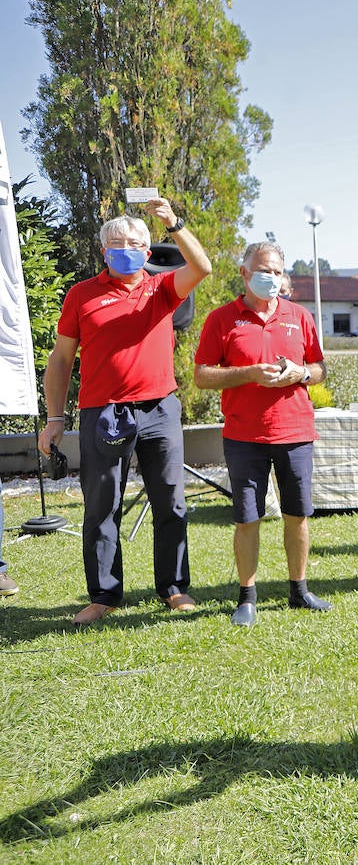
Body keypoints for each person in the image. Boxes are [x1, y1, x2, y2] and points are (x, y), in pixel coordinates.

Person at [39, 198, 210, 626]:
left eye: (134, 243)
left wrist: (174, 223)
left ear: (147, 252)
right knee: (101, 505)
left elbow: (202, 267)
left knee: (170, 501)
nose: (126, 248)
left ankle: (174, 588)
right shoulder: (81, 295)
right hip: (102, 412)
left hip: (159, 409)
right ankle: (104, 596)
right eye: (117, 243)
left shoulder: (162, 288)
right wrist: (55, 419)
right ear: (103, 251)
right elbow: (60, 361)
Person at [193, 241, 330, 625]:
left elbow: (318, 367)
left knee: (297, 514)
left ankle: (299, 591)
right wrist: (249, 373)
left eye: (276, 271)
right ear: (244, 272)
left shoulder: (299, 315)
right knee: (247, 518)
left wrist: (300, 374)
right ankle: (247, 597)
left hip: (295, 431)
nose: (270, 277)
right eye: (262, 270)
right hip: (244, 435)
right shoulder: (222, 318)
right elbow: (202, 375)